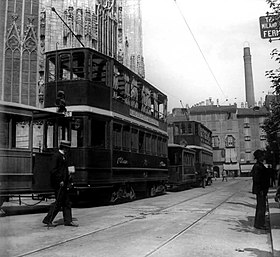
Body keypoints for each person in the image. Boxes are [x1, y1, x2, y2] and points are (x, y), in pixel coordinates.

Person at [42, 140, 78, 227]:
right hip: (59, 183)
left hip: (64, 183)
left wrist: (69, 177)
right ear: (64, 148)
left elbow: (64, 169)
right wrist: (59, 180)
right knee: (58, 202)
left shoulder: (63, 156)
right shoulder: (56, 156)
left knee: (67, 202)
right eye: (67, 148)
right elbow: (53, 170)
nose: (68, 150)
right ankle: (48, 220)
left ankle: (68, 221)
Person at [251, 149, 270, 230]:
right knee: (261, 207)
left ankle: (260, 223)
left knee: (262, 206)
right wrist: (261, 189)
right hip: (260, 190)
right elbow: (257, 179)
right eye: (262, 155)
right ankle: (259, 224)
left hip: (261, 190)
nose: (263, 157)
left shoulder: (259, 165)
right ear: (259, 157)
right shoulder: (258, 166)